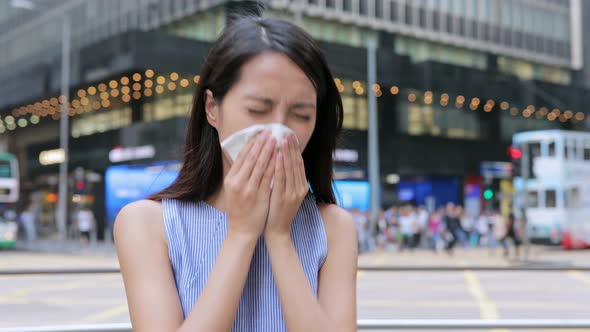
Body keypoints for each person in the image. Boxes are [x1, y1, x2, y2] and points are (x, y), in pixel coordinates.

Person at [114, 16, 357, 332]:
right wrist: (242, 232)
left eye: (301, 115)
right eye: (258, 110)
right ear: (212, 108)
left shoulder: (334, 227)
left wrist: (280, 236)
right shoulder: (147, 224)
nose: (278, 130)